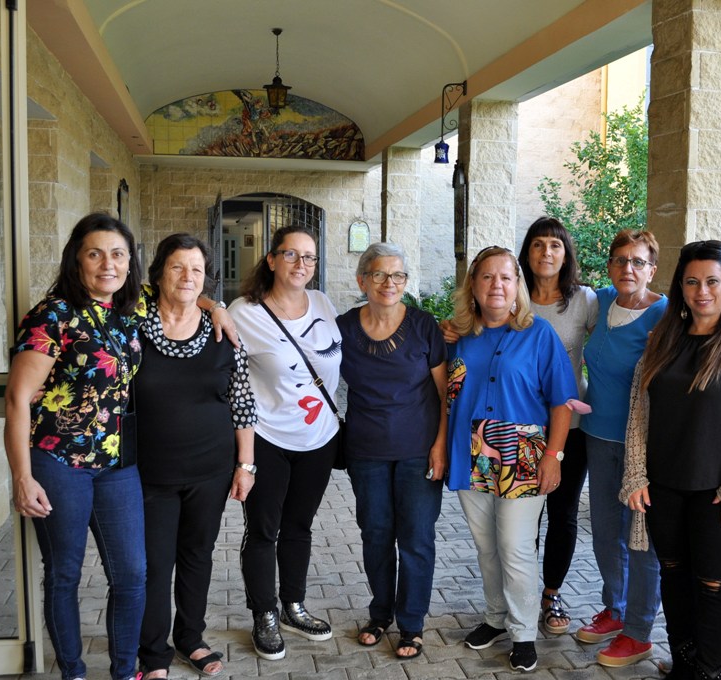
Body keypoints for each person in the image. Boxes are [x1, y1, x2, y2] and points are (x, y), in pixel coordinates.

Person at [622, 239, 721, 680]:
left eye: (712, 281)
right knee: (673, 575)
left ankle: (709, 670)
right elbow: (638, 412)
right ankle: (685, 664)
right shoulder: (661, 343)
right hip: (662, 487)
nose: (702, 291)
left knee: (712, 586)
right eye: (692, 282)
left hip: (719, 493)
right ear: (681, 287)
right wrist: (635, 474)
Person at [4, 213, 147, 680]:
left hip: (117, 463)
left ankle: (124, 671)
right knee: (64, 573)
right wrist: (22, 477)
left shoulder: (127, 310)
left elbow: (183, 289)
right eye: (95, 254)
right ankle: (73, 672)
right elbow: (17, 398)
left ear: (129, 262)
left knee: (131, 574)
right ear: (76, 260)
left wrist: (216, 307)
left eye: (118, 254)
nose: (109, 264)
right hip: (59, 461)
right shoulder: (52, 315)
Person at [447, 246, 577, 673]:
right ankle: (494, 617)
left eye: (505, 277)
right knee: (486, 546)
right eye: (487, 277)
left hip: (523, 454)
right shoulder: (458, 336)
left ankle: (522, 633)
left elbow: (562, 401)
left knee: (515, 546)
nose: (496, 285)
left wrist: (554, 456)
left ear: (517, 285)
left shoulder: (539, 334)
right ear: (473, 285)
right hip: (470, 452)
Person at [134, 234, 258, 679]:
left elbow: (243, 403)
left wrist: (245, 465)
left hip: (211, 470)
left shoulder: (225, 334)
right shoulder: (134, 326)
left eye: (197, 270)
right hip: (149, 473)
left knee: (197, 556)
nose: (187, 276)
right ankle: (153, 653)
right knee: (153, 564)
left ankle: (191, 637)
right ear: (158, 274)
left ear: (207, 279)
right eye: (177, 267)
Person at [229, 225, 341, 660]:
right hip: (267, 438)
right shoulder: (244, 311)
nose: (301, 264)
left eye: (309, 257)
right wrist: (209, 305)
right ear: (272, 259)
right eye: (291, 254)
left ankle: (293, 605)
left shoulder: (324, 304)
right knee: (263, 530)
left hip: (319, 438)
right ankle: (264, 613)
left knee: (300, 526)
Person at [336, 242, 447, 660]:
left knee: (416, 538)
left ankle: (412, 624)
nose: (389, 282)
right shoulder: (342, 328)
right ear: (362, 280)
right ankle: (380, 613)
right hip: (366, 451)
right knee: (376, 534)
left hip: (419, 450)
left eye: (398, 275)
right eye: (379, 274)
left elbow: (446, 394)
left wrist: (440, 445)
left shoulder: (424, 326)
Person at [576, 229, 666, 668]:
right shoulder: (604, 301)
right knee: (605, 534)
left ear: (652, 269)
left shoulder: (665, 314)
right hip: (598, 435)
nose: (627, 268)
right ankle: (615, 608)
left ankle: (639, 631)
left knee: (640, 539)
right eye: (619, 260)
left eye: (638, 261)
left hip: (641, 445)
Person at [516, 218, 598, 636]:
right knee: (521, 516)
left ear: (566, 255)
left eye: (555, 245)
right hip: (519, 426)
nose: (546, 252)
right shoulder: (513, 297)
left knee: (562, 513)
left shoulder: (584, 300)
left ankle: (551, 594)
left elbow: (608, 348)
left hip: (573, 426)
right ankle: (522, 594)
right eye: (538, 244)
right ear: (527, 252)